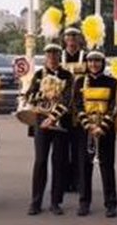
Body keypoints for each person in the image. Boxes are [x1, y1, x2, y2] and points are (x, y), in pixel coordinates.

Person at [26, 43, 73, 216]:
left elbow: (68, 99)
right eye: (49, 54)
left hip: (59, 123)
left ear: (60, 56)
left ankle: (55, 201)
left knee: (59, 163)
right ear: (45, 56)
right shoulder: (39, 74)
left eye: (55, 53)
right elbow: (29, 96)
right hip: (41, 122)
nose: (52, 57)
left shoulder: (67, 75)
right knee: (40, 162)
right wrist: (44, 94)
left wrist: (54, 117)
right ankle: (35, 201)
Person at [75, 49, 117, 218]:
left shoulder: (112, 82)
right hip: (85, 131)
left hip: (105, 130)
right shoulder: (80, 82)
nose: (93, 64)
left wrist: (102, 126)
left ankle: (111, 203)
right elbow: (77, 106)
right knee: (84, 168)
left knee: (107, 167)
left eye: (97, 61)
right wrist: (89, 126)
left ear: (103, 62)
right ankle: (84, 202)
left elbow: (114, 107)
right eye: (91, 61)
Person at [61, 26, 86, 194]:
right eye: (68, 35)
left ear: (79, 38)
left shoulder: (86, 56)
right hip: (62, 108)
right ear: (64, 38)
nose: (71, 38)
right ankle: (64, 182)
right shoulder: (59, 55)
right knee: (62, 148)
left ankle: (79, 181)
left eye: (74, 35)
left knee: (79, 148)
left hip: (80, 107)